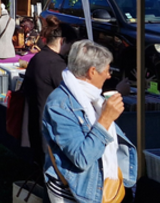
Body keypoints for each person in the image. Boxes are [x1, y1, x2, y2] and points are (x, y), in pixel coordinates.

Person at [42, 41, 137, 203]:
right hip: (76, 194)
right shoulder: (60, 105)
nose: (109, 76)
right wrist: (106, 119)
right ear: (92, 72)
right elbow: (81, 158)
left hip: (100, 188)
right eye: (107, 70)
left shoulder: (92, 99)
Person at [24, 16, 78, 168]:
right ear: (62, 41)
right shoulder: (55, 64)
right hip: (50, 130)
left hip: (36, 126)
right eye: (70, 46)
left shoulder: (38, 58)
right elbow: (73, 95)